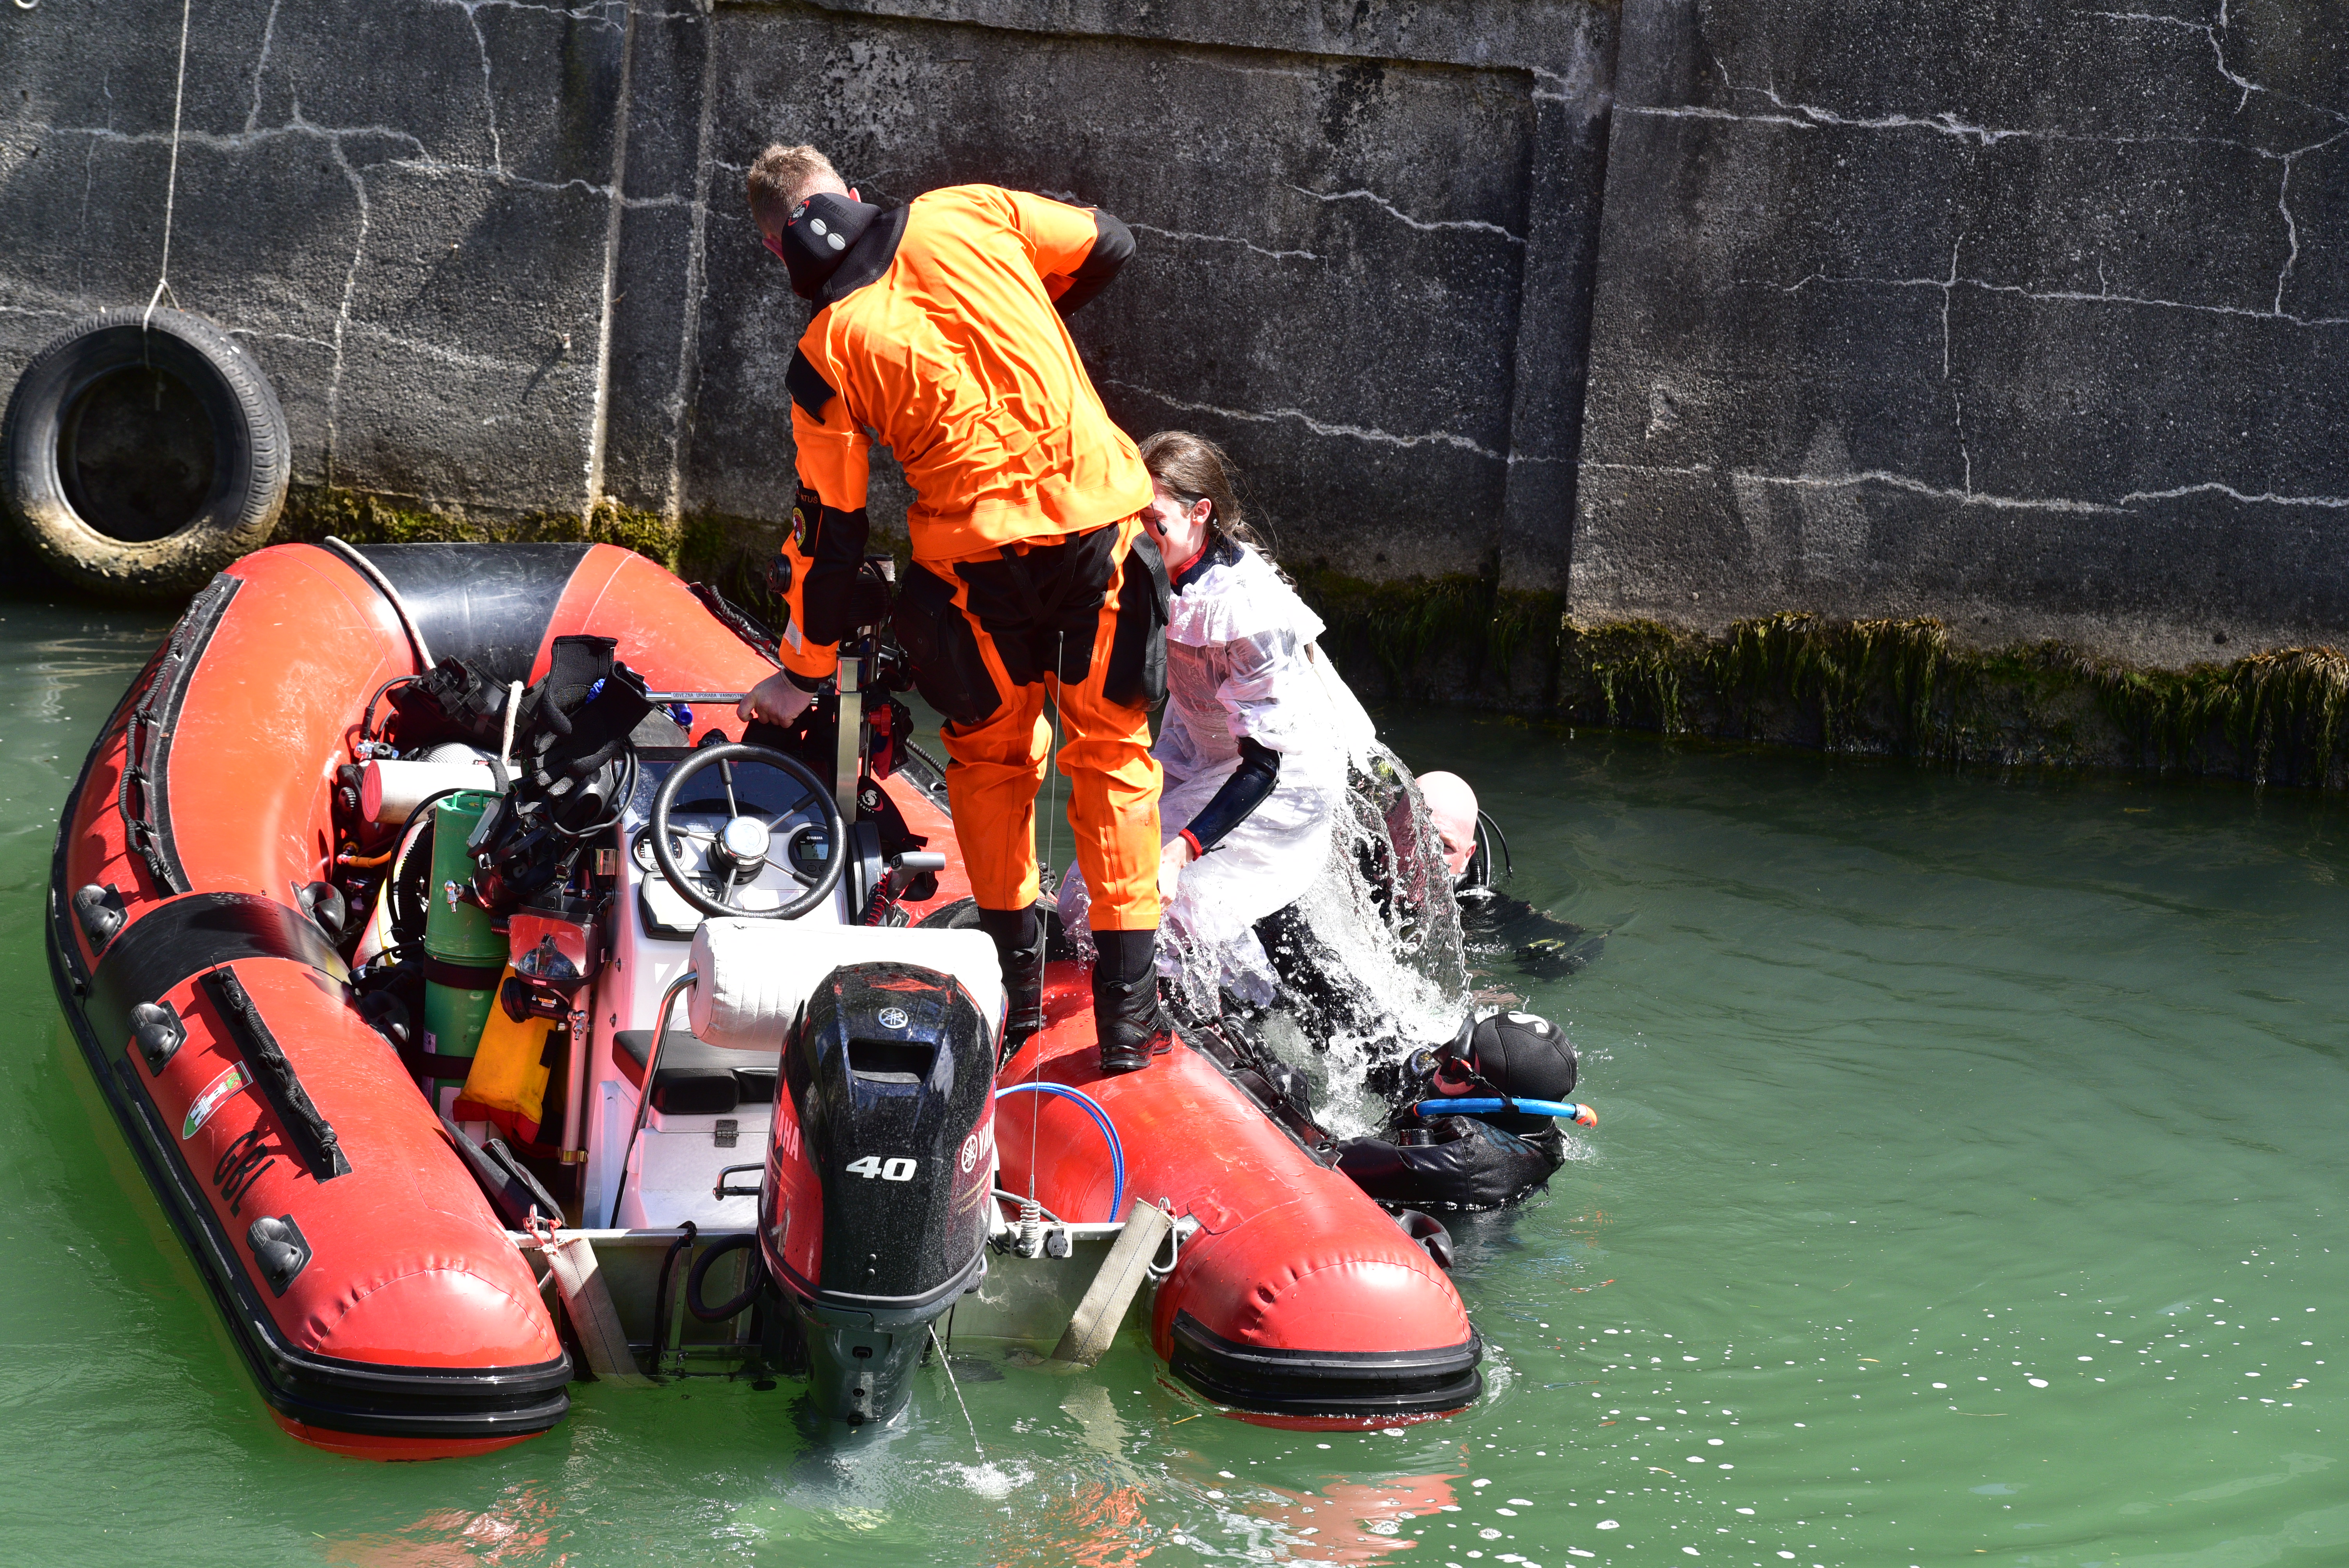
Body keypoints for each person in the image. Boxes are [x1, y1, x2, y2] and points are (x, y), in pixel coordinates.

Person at [731, 144, 1172, 1075]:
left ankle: (1011, 1000)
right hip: (1097, 528)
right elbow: (1112, 241)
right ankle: (1129, 1024)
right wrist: (1028, 319)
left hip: (974, 571)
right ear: (848, 192)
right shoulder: (969, 210)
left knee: (991, 761)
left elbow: (833, 538)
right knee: (1116, 760)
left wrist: (802, 669)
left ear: (778, 255)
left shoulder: (824, 357)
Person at [1057, 430, 1381, 1019]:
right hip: (1197, 743)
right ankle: (1267, 990)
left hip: (1281, 773)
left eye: (1153, 521)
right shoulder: (1158, 557)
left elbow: (1265, 764)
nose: (1140, 535)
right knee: (1087, 894)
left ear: (1201, 513)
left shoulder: (1247, 609)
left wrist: (1181, 852)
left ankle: (1248, 1025)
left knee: (1166, 904)